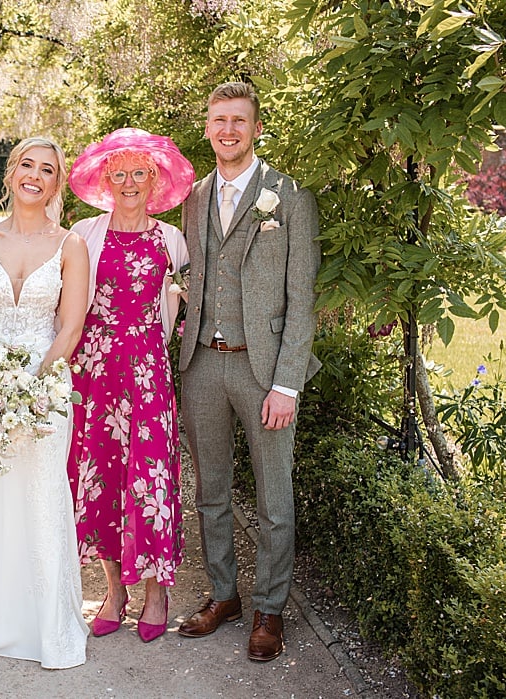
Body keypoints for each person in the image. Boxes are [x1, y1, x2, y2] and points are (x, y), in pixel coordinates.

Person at [175, 81, 321, 662]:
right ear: (207, 127)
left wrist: (287, 383)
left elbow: (302, 297)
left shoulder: (288, 196)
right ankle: (225, 594)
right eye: (218, 120)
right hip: (202, 364)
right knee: (210, 488)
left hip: (265, 373)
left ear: (256, 128)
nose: (228, 129)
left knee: (272, 494)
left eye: (238, 120)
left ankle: (269, 607)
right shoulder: (193, 196)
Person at [0, 136, 90, 669]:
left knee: (40, 501)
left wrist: (33, 387)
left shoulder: (70, 244)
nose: (35, 175)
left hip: (47, 388)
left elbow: (71, 324)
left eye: (47, 170)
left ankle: (46, 628)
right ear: (10, 175)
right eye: (27, 166)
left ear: (58, 183)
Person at [65, 128, 195, 643]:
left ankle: (157, 592)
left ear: (155, 179)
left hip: (146, 374)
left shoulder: (172, 240)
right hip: (94, 372)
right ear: (104, 180)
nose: (128, 182)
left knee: (151, 476)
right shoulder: (85, 233)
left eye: (138, 172)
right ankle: (115, 590)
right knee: (99, 477)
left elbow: (186, 307)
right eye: (117, 173)